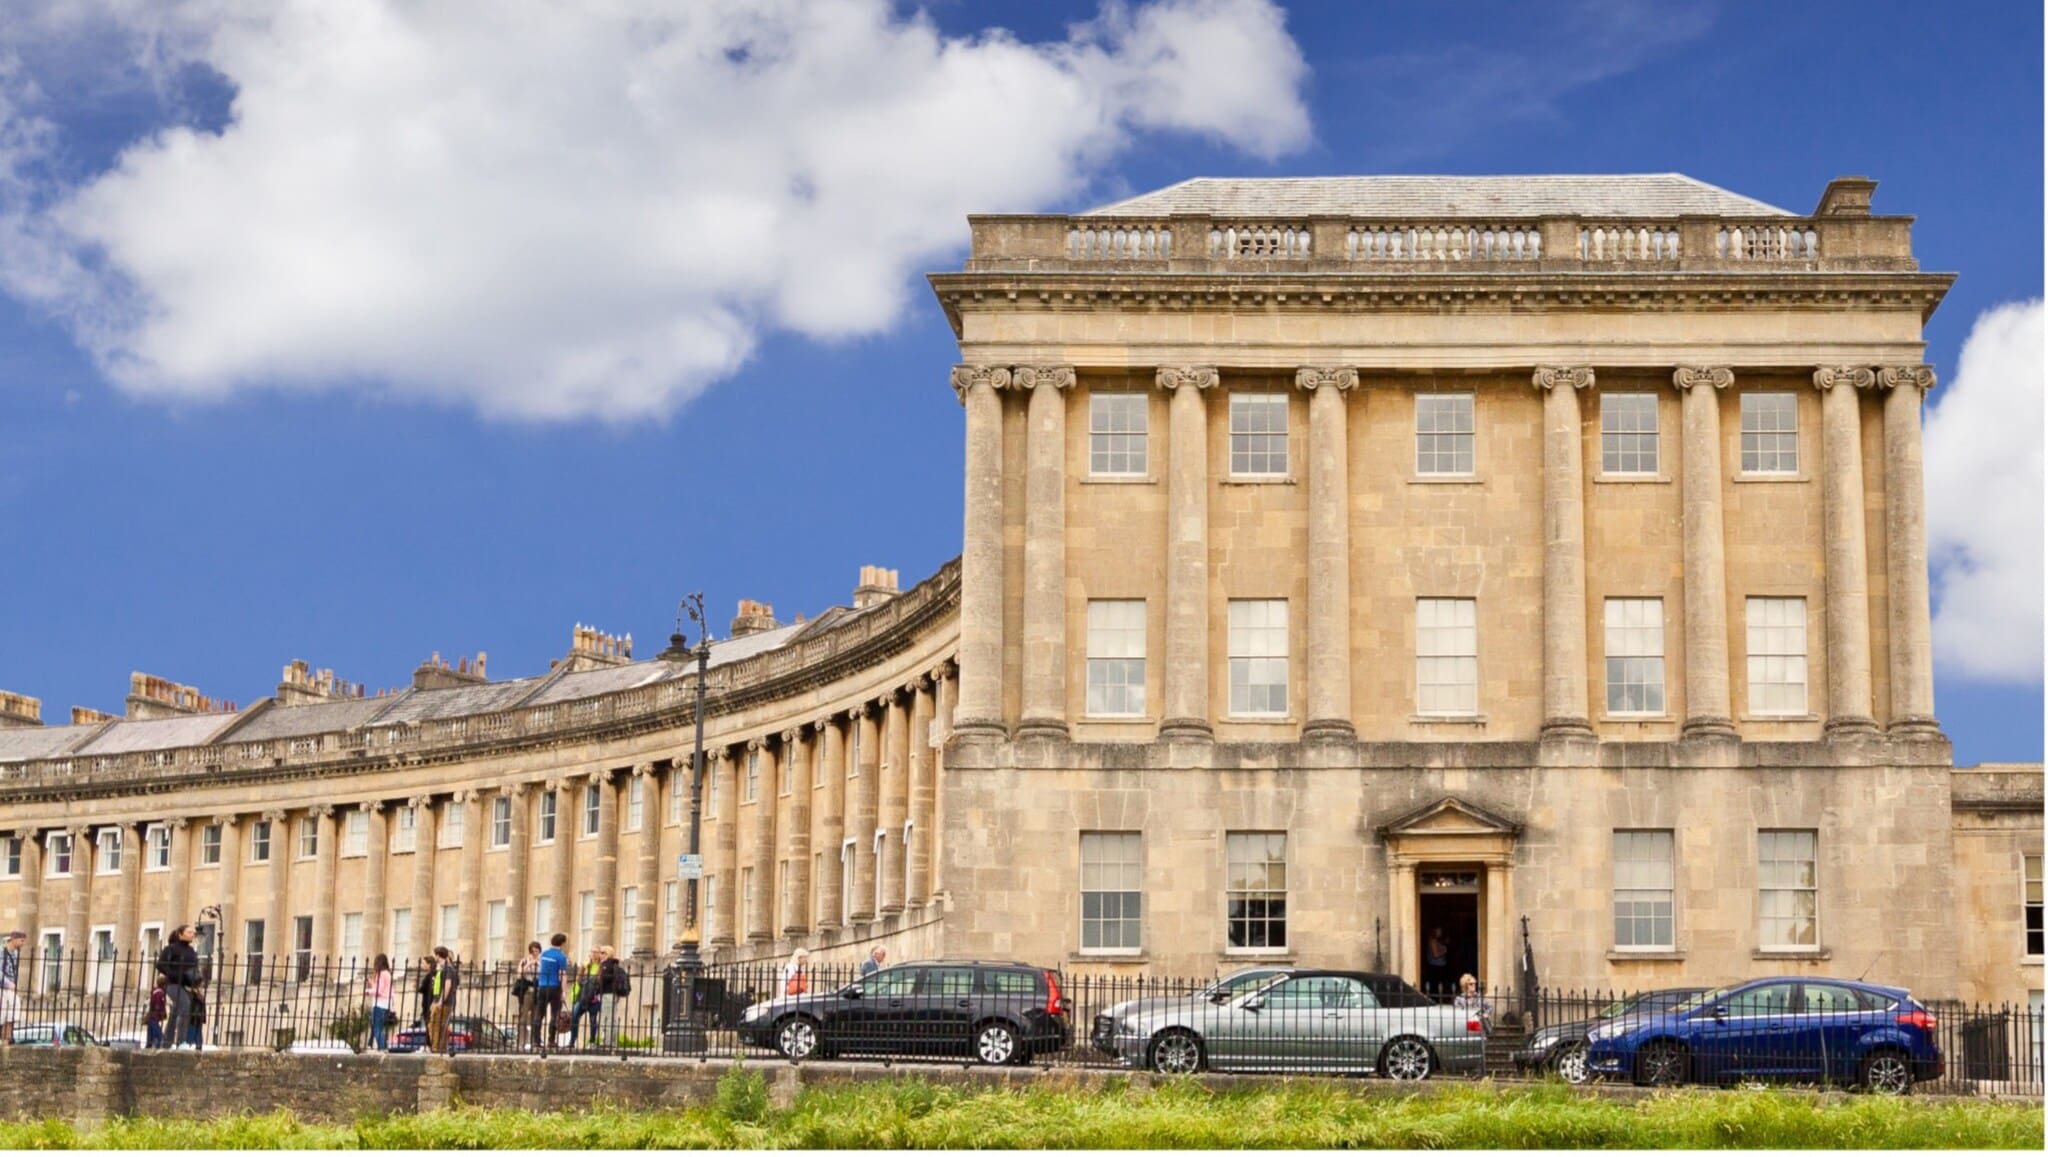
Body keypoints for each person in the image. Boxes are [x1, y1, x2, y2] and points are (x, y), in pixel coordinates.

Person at [156, 924, 202, 1049]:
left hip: (186, 985)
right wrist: (173, 974)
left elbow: (193, 968)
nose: (192, 934)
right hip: (173, 984)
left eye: (193, 932)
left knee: (175, 1012)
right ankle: (181, 1041)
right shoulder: (171, 949)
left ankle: (166, 1042)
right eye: (189, 932)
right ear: (180, 934)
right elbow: (160, 964)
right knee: (185, 1006)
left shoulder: (191, 951)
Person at [532, 933, 568, 1059]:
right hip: (554, 987)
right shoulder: (562, 957)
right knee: (555, 1014)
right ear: (562, 943)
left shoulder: (543, 954)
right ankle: (551, 1040)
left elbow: (540, 968)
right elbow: (563, 975)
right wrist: (564, 992)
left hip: (542, 986)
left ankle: (536, 1040)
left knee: (539, 1014)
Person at [567, 947, 604, 1048]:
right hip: (582, 995)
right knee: (574, 1017)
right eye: (592, 952)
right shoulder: (585, 965)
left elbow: (598, 981)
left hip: (594, 997)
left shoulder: (601, 966)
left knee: (593, 1019)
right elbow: (578, 980)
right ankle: (572, 1040)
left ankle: (592, 1041)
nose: (593, 954)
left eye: (596, 952)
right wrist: (585, 968)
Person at [426, 947, 459, 1054]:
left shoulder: (448, 968)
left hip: (444, 1003)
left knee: (437, 1026)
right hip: (438, 1002)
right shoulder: (442, 968)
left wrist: (440, 1001)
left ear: (438, 955)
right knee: (435, 1025)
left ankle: (437, 1049)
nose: (434, 957)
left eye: (435, 955)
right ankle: (439, 1048)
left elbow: (447, 985)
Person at [595, 946, 630, 1049]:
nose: (600, 955)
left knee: (608, 1018)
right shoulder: (614, 964)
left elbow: (603, 980)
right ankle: (612, 1042)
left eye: (602, 953)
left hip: (608, 994)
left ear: (607, 954)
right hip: (613, 994)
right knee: (612, 1018)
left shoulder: (606, 965)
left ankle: (608, 1042)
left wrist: (597, 983)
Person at [513, 942, 541, 1050]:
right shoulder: (524, 961)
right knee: (523, 1018)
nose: (535, 953)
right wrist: (529, 964)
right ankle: (521, 1043)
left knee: (536, 1017)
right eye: (533, 951)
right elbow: (519, 975)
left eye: (537, 951)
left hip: (537, 990)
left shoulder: (541, 962)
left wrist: (538, 964)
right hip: (527, 991)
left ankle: (535, 1042)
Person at [365, 954, 394, 1051]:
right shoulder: (388, 974)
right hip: (387, 1004)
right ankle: (383, 1047)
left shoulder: (381, 974)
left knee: (377, 1029)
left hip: (379, 1004)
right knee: (379, 1028)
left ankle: (382, 1048)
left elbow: (379, 991)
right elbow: (383, 989)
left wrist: (368, 991)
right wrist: (373, 984)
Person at [0, 929, 24, 1046]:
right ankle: (4, 1038)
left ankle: (7, 1038)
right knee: (3, 1013)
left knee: (13, 1009)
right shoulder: (1, 952)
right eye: (21, 940)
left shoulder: (15, 954)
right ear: (13, 939)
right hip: (2, 987)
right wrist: (7, 983)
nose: (23, 943)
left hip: (11, 987)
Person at [1424, 928, 1450, 993]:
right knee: (1435, 985)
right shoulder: (1433, 941)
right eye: (1439, 930)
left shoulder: (1437, 941)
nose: (1440, 932)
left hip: (1440, 965)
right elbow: (1435, 955)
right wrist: (1444, 951)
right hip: (1436, 966)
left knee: (1439, 985)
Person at [184, 980, 207, 1049]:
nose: (202, 988)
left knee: (196, 1032)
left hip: (197, 1017)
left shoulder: (197, 995)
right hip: (194, 1017)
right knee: (193, 1032)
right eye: (201, 986)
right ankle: (193, 1044)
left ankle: (197, 1045)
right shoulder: (193, 994)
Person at [145, 980, 167, 1049]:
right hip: (155, 1016)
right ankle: (157, 1048)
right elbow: (158, 1004)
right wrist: (161, 1012)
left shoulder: (154, 992)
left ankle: (148, 1047)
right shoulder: (160, 993)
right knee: (159, 1035)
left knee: (150, 1036)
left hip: (152, 1016)